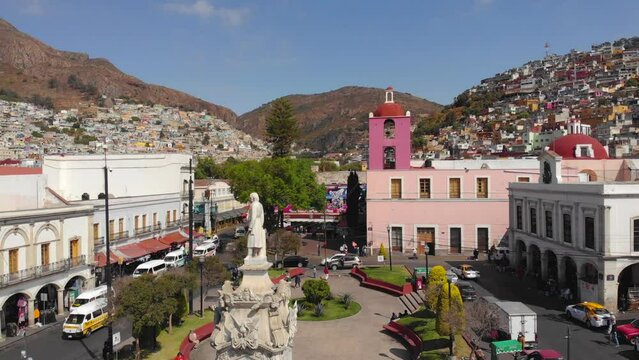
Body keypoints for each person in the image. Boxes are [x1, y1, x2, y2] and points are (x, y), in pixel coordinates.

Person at [246, 192, 266, 260]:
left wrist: (250, 227)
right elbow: (262, 216)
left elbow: (253, 217)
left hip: (254, 224)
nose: (250, 199)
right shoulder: (260, 205)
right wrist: (261, 225)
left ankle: (250, 255)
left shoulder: (253, 205)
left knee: (251, 239)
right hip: (259, 223)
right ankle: (257, 254)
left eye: (250, 198)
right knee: (258, 240)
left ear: (253, 198)